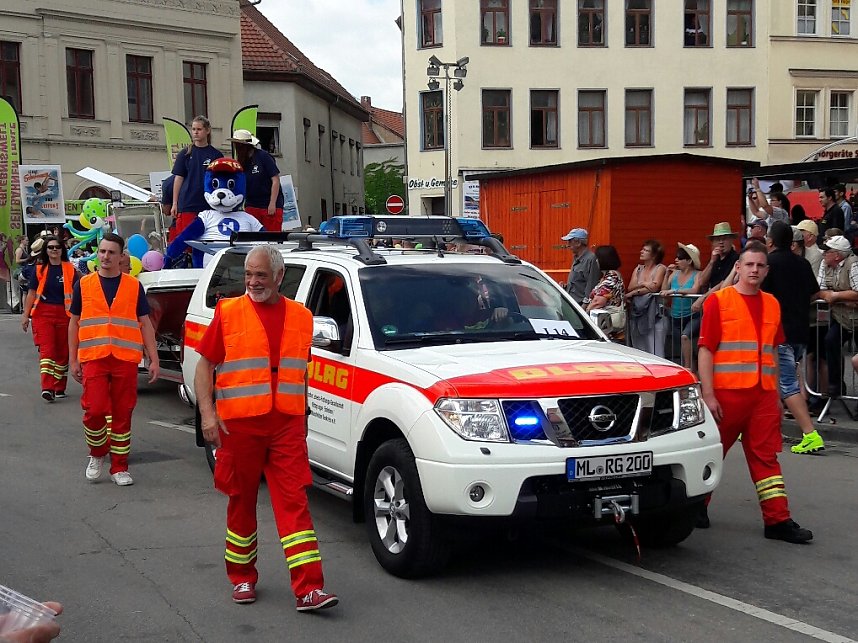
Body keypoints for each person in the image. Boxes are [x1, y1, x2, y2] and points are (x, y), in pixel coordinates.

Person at [194, 245, 338, 611]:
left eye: (260, 275)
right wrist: (208, 416)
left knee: (295, 503)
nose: (253, 282)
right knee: (241, 501)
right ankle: (242, 578)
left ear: (278, 276)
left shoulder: (302, 317)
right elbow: (204, 366)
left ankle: (309, 588)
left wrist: (303, 418)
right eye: (248, 275)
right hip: (239, 426)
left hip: (286, 426)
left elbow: (299, 373)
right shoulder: (228, 313)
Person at [698, 244, 813, 544]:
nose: (754, 270)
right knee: (712, 454)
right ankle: (695, 507)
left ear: (767, 270)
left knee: (766, 458)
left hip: (761, 395)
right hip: (726, 395)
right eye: (749, 264)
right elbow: (706, 349)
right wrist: (708, 394)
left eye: (760, 266)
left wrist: (774, 393)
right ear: (738, 267)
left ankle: (777, 519)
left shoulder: (772, 303)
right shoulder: (719, 301)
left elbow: (773, 351)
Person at [68, 233, 160, 486]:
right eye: (102, 251)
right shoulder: (84, 285)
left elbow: (145, 324)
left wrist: (154, 358)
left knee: (123, 414)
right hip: (94, 357)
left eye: (111, 253)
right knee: (95, 410)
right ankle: (97, 454)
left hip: (125, 359)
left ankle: (119, 467)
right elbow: (74, 322)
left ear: (121, 258)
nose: (105, 256)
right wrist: (73, 359)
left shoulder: (133, 286)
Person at [761, 221, 825, 455]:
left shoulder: (770, 264)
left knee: (787, 384)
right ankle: (764, 427)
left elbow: (760, 294)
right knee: (772, 382)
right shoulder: (803, 262)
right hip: (800, 329)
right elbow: (814, 292)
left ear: (770, 241)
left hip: (779, 332)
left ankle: (810, 434)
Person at [20, 235, 79, 401]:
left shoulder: (70, 269)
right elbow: (31, 293)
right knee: (48, 351)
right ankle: (47, 388)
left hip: (65, 314)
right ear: (45, 251)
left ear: (62, 250)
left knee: (62, 353)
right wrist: (25, 315)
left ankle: (59, 387)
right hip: (42, 314)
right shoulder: (39, 269)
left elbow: (78, 292)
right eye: (50, 247)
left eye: (57, 247)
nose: (54, 250)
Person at [813, 234, 858, 403]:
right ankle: (836, 384)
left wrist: (836, 296)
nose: (823, 254)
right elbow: (821, 290)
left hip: (857, 319)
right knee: (830, 341)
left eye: (827, 251)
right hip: (841, 318)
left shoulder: (853, 264)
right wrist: (844, 298)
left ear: (837, 255)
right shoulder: (826, 266)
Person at [170, 115, 223, 238]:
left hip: (209, 205)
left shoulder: (216, 154)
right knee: (186, 241)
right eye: (193, 129)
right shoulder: (185, 153)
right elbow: (178, 178)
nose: (195, 132)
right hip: (187, 204)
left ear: (207, 130)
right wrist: (174, 203)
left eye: (199, 129)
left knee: (206, 239)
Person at [230, 129, 284, 232]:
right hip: (252, 204)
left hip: (269, 205)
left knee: (271, 238)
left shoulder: (263, 156)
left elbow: (275, 179)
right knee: (253, 237)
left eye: (238, 145)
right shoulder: (241, 162)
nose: (237, 148)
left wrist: (272, 203)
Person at [659, 242, 702, 368]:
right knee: (682, 344)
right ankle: (691, 365)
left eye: (680, 258)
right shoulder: (674, 274)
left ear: (689, 261)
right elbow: (663, 290)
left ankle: (688, 368)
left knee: (685, 336)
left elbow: (694, 290)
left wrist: (675, 291)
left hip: (692, 315)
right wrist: (667, 275)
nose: (676, 260)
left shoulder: (697, 274)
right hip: (676, 316)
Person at [626, 239, 668, 356]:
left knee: (655, 348)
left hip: (654, 313)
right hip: (638, 312)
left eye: (646, 250)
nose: (641, 251)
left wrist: (635, 292)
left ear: (654, 255)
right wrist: (645, 284)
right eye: (642, 249)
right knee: (639, 348)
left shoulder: (660, 268)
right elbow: (630, 287)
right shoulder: (638, 269)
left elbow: (655, 288)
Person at [585, 245, 625, 338]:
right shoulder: (611, 275)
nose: (596, 261)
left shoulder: (611, 277)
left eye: (597, 258)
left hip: (606, 325)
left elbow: (598, 302)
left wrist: (585, 313)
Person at [561, 227, 600, 306]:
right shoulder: (576, 258)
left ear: (578, 243)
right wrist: (566, 286)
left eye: (570, 241)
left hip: (580, 305)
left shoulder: (591, 259)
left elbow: (591, 285)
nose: (567, 245)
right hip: (572, 302)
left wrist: (584, 307)